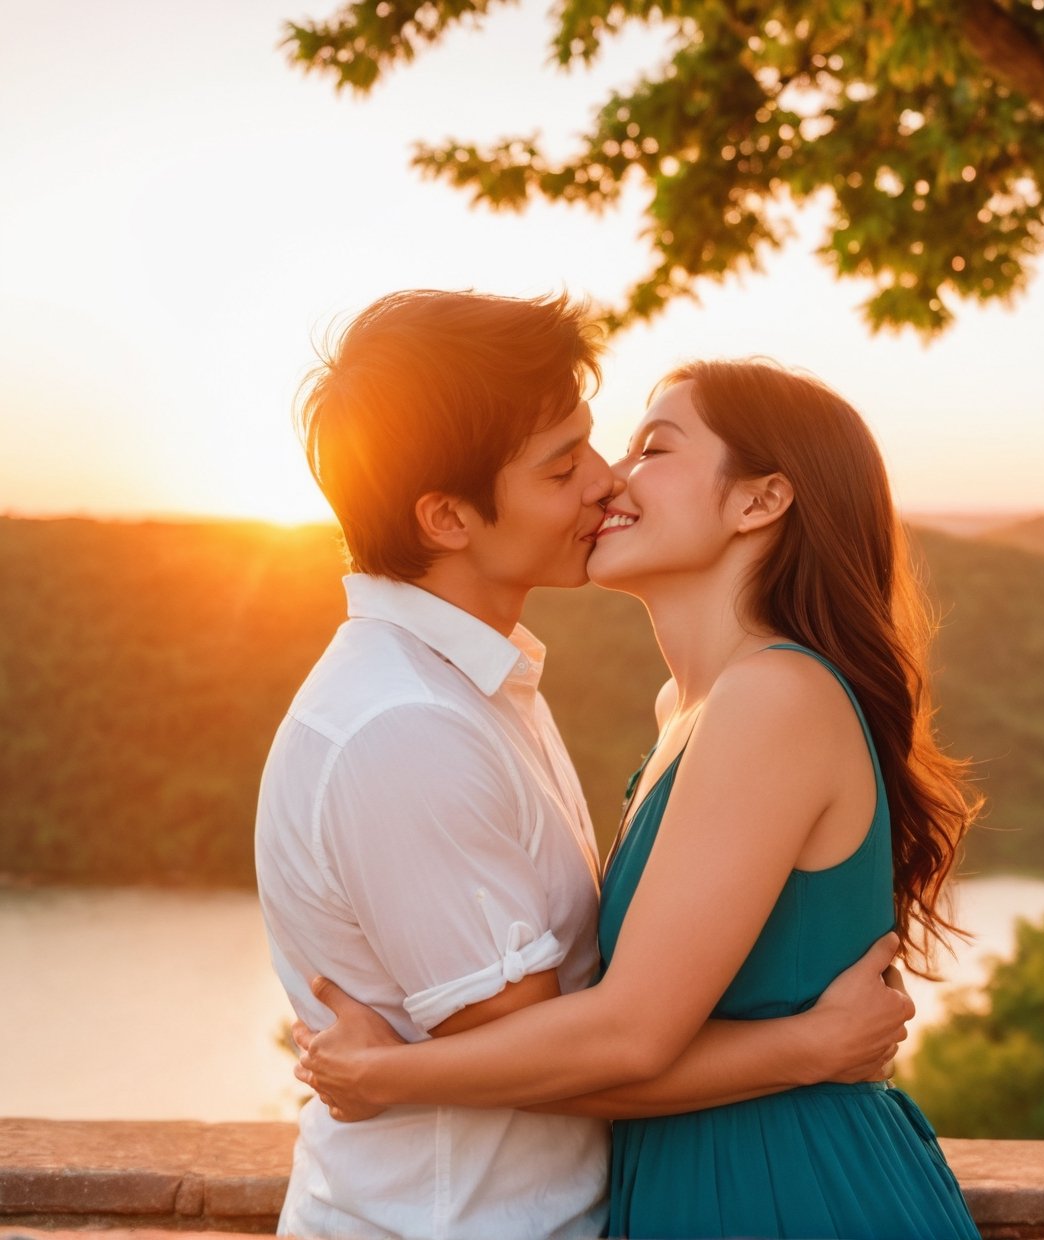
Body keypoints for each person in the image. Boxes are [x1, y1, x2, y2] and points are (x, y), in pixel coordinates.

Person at [256, 291, 916, 1240]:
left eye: (635, 447)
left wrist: (379, 1073)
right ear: (447, 518)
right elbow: (585, 1052)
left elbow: (605, 1038)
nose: (607, 480)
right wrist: (805, 1046)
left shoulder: (508, 691)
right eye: (568, 465)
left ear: (763, 501)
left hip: (772, 1185)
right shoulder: (405, 726)